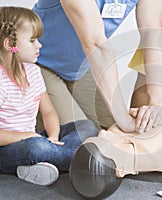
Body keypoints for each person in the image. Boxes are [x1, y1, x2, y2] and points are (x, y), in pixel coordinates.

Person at [32, 0, 162, 133]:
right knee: (78, 138)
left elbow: (153, 35)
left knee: (113, 131)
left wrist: (157, 104)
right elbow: (95, 44)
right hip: (37, 62)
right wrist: (123, 119)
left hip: (81, 67)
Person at [0, 6, 98, 186]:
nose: (39, 45)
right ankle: (85, 163)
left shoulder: (34, 72)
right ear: (10, 45)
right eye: (32, 41)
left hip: (36, 138)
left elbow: (49, 112)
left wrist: (53, 138)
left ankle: (48, 161)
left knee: (86, 126)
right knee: (37, 147)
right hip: (10, 148)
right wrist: (31, 138)